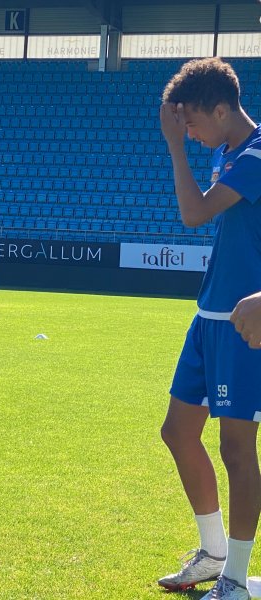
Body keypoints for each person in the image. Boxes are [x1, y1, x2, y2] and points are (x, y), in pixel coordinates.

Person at [157, 58, 261, 600]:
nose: (190, 134)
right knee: (177, 431)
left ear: (222, 109)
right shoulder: (227, 150)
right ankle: (214, 552)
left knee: (238, 449)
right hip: (210, 316)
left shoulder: (256, 154)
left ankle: (238, 580)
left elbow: (193, 214)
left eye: (192, 123)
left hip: (247, 325)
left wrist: (174, 147)